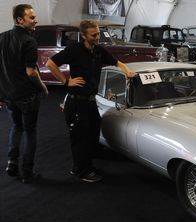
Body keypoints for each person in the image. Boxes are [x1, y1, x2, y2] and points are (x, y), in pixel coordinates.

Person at [46, 20, 135, 183]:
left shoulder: (99, 51)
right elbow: (50, 64)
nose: (97, 37)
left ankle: (88, 163)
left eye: (98, 34)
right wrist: (66, 81)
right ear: (83, 35)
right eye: (93, 35)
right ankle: (80, 170)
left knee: (94, 132)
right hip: (76, 102)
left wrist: (127, 71)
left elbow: (117, 62)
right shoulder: (74, 50)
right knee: (81, 137)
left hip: (90, 101)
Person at [0, 4, 48, 184]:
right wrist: (42, 86)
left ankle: (12, 163)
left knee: (16, 126)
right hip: (27, 96)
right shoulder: (29, 41)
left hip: (9, 95)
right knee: (30, 131)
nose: (36, 20)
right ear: (20, 20)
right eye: (32, 18)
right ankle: (27, 172)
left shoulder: (2, 37)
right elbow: (31, 72)